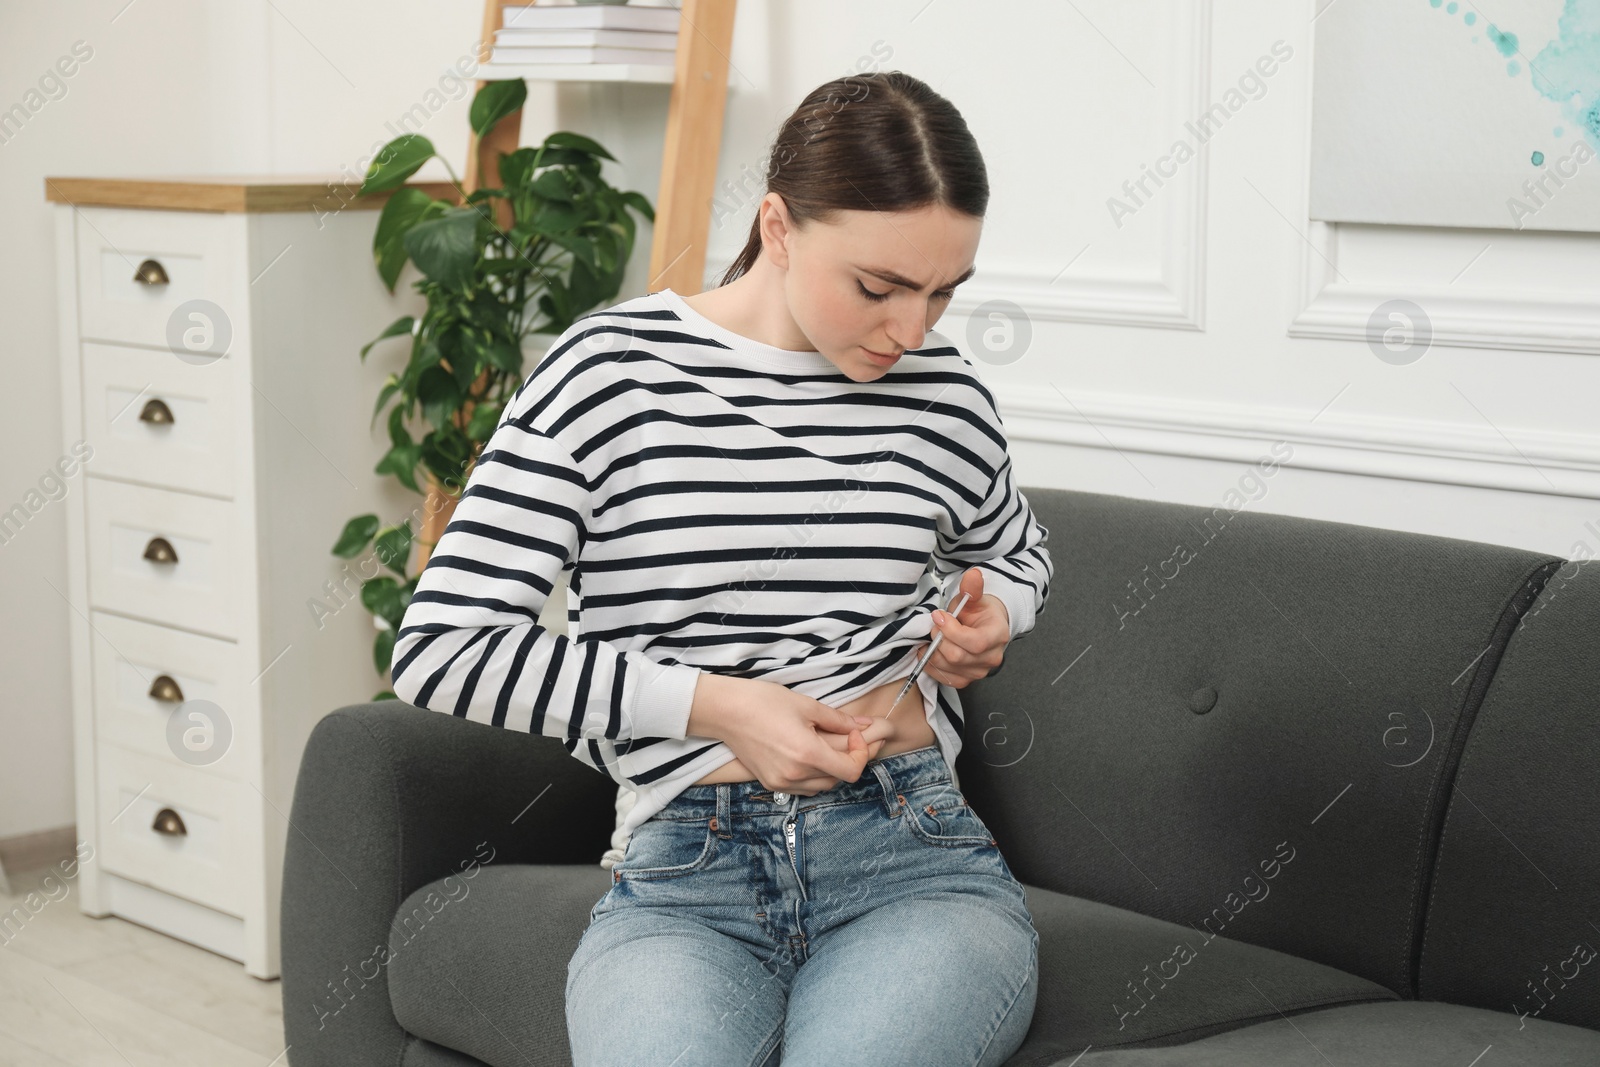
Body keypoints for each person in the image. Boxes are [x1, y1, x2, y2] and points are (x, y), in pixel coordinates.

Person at [390, 69, 1053, 1067]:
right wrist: (718, 704)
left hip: (911, 855)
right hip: (684, 869)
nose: (911, 331)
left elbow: (1012, 550)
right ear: (777, 226)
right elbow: (444, 649)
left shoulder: (942, 394)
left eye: (941, 292)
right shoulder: (609, 373)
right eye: (877, 287)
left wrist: (990, 614)